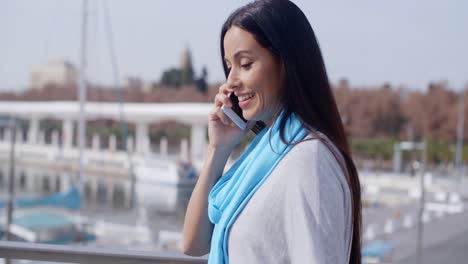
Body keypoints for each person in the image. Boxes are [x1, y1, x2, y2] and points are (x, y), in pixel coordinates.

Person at [182, 0, 362, 263]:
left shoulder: (308, 160)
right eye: (229, 66)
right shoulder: (268, 155)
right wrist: (217, 149)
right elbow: (193, 243)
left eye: (245, 64)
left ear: (286, 62)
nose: (230, 81)